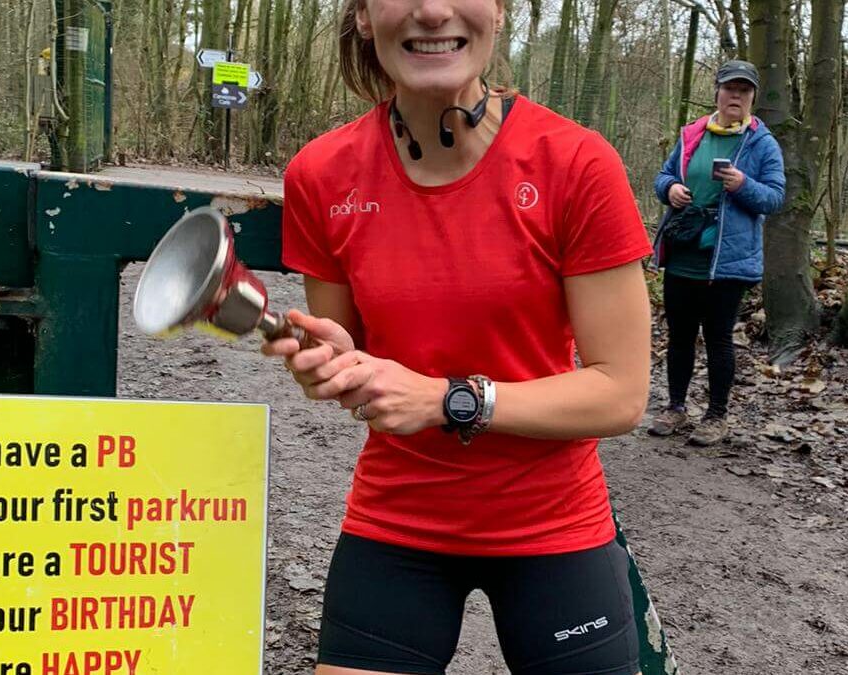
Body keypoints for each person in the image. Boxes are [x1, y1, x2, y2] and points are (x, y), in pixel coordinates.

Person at [261, 0, 654, 671]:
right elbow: (359, 371)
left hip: (553, 522)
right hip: (397, 518)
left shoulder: (576, 163)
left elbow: (620, 392)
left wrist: (453, 400)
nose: (433, 10)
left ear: (499, 12)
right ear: (362, 16)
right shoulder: (321, 175)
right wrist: (331, 368)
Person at [647, 60, 786, 446]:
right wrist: (670, 189)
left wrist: (743, 184)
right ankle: (675, 407)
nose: (735, 96)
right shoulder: (693, 134)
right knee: (680, 335)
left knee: (719, 338)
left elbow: (775, 198)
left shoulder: (761, 143)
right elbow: (664, 176)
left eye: (743, 90)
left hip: (727, 261)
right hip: (683, 251)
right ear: (718, 93)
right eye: (729, 89)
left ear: (753, 97)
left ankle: (716, 416)